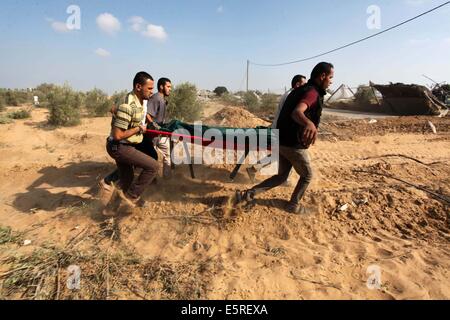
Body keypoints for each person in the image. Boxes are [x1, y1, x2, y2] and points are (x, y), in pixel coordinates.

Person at [236, 62, 334, 215]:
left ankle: (249, 194)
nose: (331, 81)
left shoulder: (296, 91)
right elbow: (297, 112)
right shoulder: (312, 93)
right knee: (307, 176)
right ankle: (293, 205)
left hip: (280, 139)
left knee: (281, 176)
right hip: (292, 144)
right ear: (322, 76)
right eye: (330, 77)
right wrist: (309, 124)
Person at [102, 71, 159, 215]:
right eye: (150, 88)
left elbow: (114, 110)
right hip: (119, 146)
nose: (152, 92)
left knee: (127, 178)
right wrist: (138, 128)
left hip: (125, 145)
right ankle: (130, 198)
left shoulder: (140, 101)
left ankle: (109, 209)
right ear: (138, 87)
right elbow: (117, 135)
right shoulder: (128, 106)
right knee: (153, 166)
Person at [246, 75, 307, 181]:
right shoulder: (291, 96)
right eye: (304, 84)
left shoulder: (289, 94)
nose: (305, 87)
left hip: (280, 129)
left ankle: (254, 168)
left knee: (280, 154)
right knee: (288, 153)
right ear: (297, 84)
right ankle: (283, 178)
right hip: (282, 130)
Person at [146, 78, 173, 178]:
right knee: (152, 158)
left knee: (167, 156)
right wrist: (154, 125)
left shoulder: (163, 100)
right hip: (152, 134)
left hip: (161, 134)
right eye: (168, 86)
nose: (170, 89)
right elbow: (147, 115)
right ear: (161, 87)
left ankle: (167, 179)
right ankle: (152, 180)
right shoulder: (156, 98)